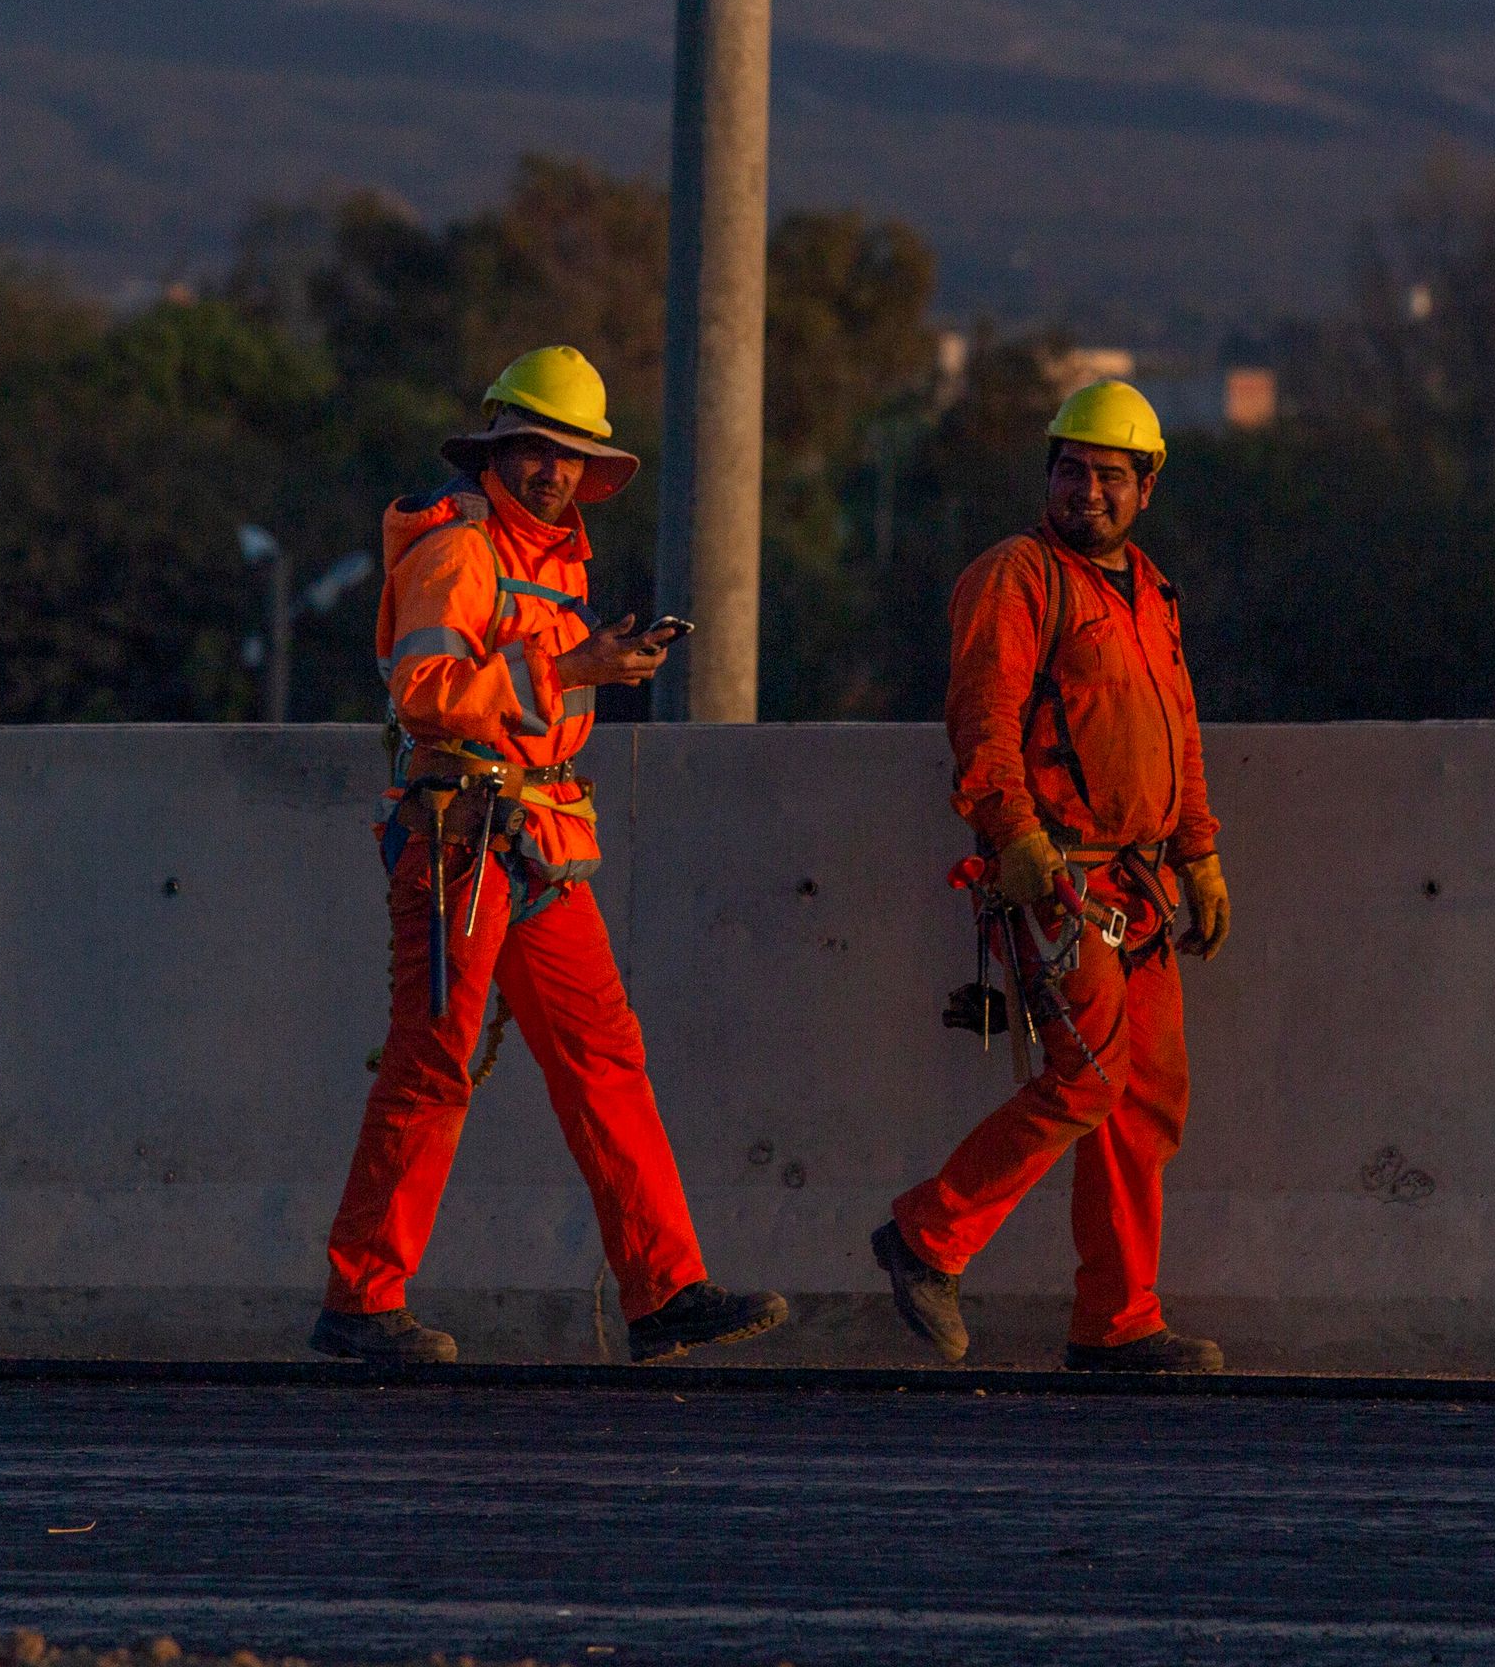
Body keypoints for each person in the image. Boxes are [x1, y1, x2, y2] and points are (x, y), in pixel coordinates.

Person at [312, 344, 791, 1367]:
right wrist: (578, 666)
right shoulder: (458, 549)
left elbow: (513, 692)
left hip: (531, 844)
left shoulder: (554, 556)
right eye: (535, 448)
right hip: (462, 840)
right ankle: (359, 1299)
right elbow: (427, 694)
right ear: (496, 446)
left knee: (606, 1060)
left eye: (570, 454)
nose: (553, 470)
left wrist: (586, 668)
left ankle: (665, 1292)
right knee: (433, 1064)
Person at [870, 377, 1234, 1373]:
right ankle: (927, 1236)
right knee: (1090, 1074)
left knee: (1146, 1096)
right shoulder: (1018, 576)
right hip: (1061, 876)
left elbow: (1179, 731)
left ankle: (1117, 1322)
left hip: (1141, 882)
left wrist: (1197, 850)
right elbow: (981, 719)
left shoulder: (1150, 591)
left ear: (1145, 486)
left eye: (1111, 475)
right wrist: (1016, 840)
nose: (1088, 491)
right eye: (1072, 469)